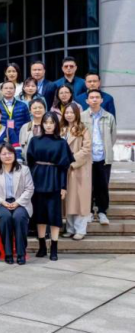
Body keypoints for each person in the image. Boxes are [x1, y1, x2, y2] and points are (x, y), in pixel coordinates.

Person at [25, 113, 73, 261]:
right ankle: (41, 246)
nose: (48, 125)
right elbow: (29, 162)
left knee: (54, 215)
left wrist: (63, 187)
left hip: (54, 180)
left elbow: (64, 167)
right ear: (42, 124)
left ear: (56, 124)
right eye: (46, 122)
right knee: (39, 215)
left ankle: (54, 248)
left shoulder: (61, 143)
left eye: (52, 122)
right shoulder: (34, 140)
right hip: (37, 179)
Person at [0, 144, 35, 265]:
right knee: (5, 218)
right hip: (1, 203)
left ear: (15, 155)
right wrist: (2, 202)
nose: (7, 156)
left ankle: (21, 254)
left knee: (19, 217)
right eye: (4, 154)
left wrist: (18, 202)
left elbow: (29, 189)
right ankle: (8, 253)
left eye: (10, 153)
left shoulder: (24, 169)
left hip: (20, 202)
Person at [81, 89, 117, 227]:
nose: (94, 99)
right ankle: (89, 211)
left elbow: (113, 136)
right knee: (87, 186)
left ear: (102, 100)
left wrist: (106, 149)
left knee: (102, 185)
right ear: (87, 101)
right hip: (87, 158)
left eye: (97, 97)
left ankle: (102, 211)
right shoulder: (82, 116)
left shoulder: (109, 117)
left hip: (103, 157)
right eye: (92, 97)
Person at [61, 103, 92, 240]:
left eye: (71, 112)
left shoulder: (83, 129)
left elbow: (87, 149)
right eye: (66, 112)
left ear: (77, 114)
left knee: (80, 200)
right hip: (64, 168)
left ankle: (80, 229)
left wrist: (72, 160)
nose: (69, 115)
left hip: (78, 168)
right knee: (69, 200)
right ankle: (70, 228)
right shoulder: (61, 129)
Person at [0, 81, 31, 153]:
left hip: (19, 136)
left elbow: (28, 123)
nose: (8, 90)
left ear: (15, 90)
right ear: (1, 90)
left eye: (11, 88)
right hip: (2, 137)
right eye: (6, 88)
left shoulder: (23, 105)